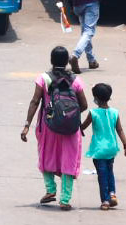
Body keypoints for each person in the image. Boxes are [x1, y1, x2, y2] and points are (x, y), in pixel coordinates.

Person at [20, 45, 89, 210]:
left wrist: (27, 125)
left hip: (48, 125)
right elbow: (84, 105)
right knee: (69, 160)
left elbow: (35, 101)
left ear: (51, 60)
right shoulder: (76, 80)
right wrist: (68, 114)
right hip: (71, 127)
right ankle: (65, 200)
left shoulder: (43, 78)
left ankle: (50, 190)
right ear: (67, 62)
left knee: (46, 155)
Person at [81, 81, 126, 210]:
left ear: (96, 98)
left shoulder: (93, 113)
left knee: (102, 174)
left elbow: (83, 126)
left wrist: (77, 128)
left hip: (99, 150)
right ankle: (112, 194)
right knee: (110, 171)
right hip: (111, 148)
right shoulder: (115, 112)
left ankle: (105, 200)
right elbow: (120, 130)